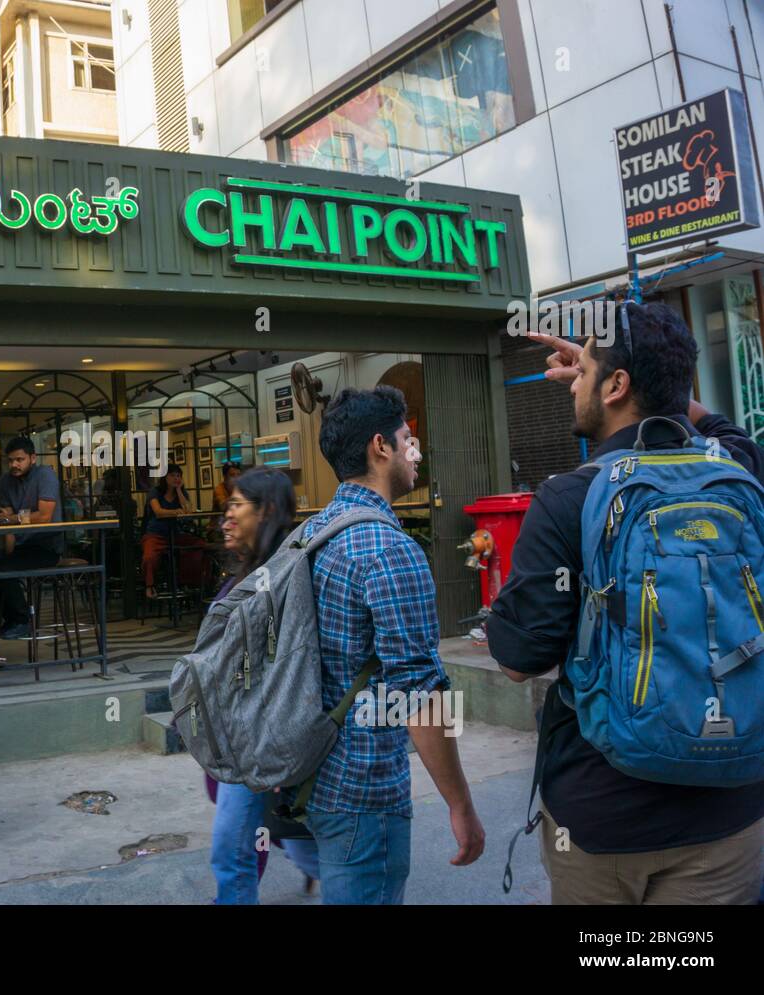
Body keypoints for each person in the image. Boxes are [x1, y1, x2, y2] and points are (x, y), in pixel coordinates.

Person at [489, 303, 764, 904]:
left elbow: (517, 661)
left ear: (615, 387)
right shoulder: (738, 469)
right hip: (734, 811)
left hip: (603, 815)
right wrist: (651, 381)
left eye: (584, 373)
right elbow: (724, 428)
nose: (573, 384)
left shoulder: (567, 498)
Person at [300, 386, 484, 904]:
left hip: (314, 778)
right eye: (408, 439)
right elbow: (420, 695)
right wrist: (460, 804)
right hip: (366, 789)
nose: (416, 450)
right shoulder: (389, 549)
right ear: (380, 447)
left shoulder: (313, 532)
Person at [208, 467, 321, 903]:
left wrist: (277, 745)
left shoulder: (287, 576)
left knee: (232, 850)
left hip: (259, 742)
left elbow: (290, 667)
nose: (226, 517)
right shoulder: (246, 575)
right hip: (238, 736)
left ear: (267, 510)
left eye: (236, 505)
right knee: (295, 841)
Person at [0, 437, 64, 642]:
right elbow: (8, 523)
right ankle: (13, 618)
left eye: (19, 459)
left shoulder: (45, 475)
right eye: (10, 460)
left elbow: (44, 516)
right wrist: (9, 545)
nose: (14, 464)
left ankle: (23, 621)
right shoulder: (6, 481)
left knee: (4, 570)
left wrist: (13, 518)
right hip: (21, 547)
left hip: (47, 547)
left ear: (32, 458)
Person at [140, 463, 205, 599]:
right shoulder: (155, 492)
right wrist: (176, 511)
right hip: (155, 534)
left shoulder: (181, 493)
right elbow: (158, 512)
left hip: (175, 534)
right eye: (172, 475)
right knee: (149, 557)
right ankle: (150, 586)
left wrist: (179, 490)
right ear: (165, 477)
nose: (176, 478)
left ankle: (188, 582)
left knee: (199, 544)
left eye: (179, 475)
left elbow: (188, 511)